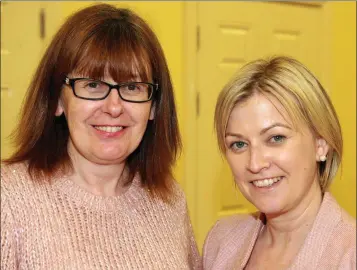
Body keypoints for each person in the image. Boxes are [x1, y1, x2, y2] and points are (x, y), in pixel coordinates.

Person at [1, 4, 202, 269]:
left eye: (132, 87)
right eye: (93, 85)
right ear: (58, 99)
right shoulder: (9, 199)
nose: (114, 107)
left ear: (153, 105)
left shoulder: (170, 201)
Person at [203, 56, 356, 270]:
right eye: (238, 144)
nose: (255, 164)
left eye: (276, 138)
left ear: (321, 143)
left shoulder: (349, 254)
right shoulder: (220, 241)